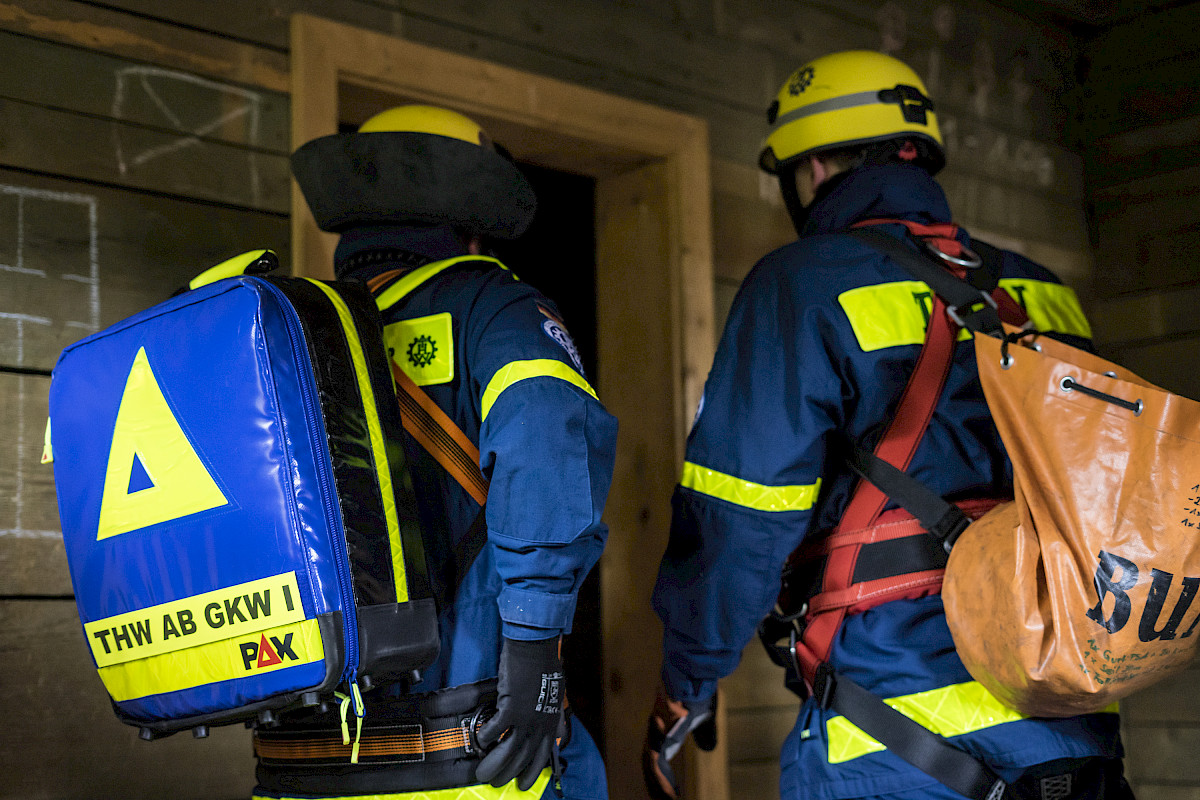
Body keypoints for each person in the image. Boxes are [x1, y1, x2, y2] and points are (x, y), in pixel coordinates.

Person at [644, 50, 1132, 800]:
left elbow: (737, 520)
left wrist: (688, 678)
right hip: (1075, 721)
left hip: (892, 737)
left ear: (812, 170)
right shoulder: (1045, 294)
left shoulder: (802, 282)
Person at [255, 104, 617, 800]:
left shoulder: (285, 338)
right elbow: (547, 435)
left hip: (297, 772)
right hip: (467, 762)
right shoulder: (491, 304)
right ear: (471, 219)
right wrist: (537, 647)